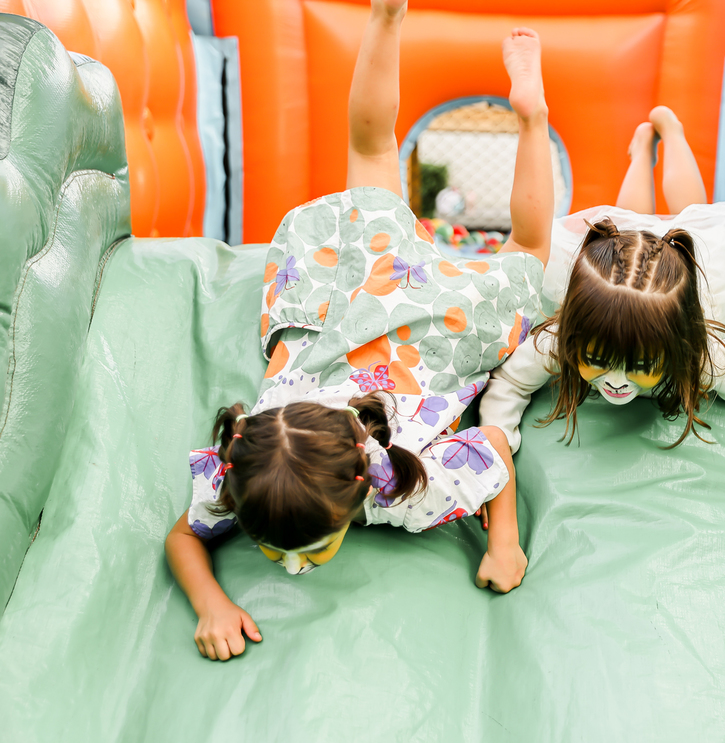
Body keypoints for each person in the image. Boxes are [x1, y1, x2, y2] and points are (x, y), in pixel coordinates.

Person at [165, 0, 554, 661]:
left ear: (361, 488)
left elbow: (492, 444)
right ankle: (388, 19)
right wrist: (211, 603)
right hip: (350, 314)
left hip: (431, 335)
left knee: (530, 252)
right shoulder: (245, 468)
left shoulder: (403, 489)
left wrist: (505, 541)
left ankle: (531, 116)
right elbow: (182, 537)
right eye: (275, 551)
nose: (293, 567)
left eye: (309, 549)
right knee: (370, 153)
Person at [479, 108, 725, 541]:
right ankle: (640, 154)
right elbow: (509, 382)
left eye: (640, 366)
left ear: (677, 345)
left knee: (693, 216)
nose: (617, 381)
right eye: (598, 361)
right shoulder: (566, 339)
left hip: (697, 267)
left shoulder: (701, 354)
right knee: (629, 219)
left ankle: (673, 133)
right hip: (627, 278)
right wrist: (494, 453)